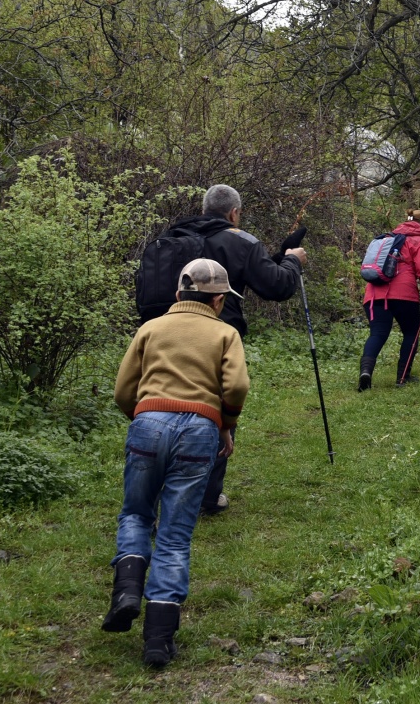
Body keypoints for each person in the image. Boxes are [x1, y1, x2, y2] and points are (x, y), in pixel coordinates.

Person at [103, 259, 248, 667]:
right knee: (175, 532)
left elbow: (122, 390)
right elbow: (236, 385)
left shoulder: (150, 329)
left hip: (148, 422)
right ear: (219, 300)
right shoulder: (225, 333)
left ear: (178, 294)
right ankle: (158, 640)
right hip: (200, 428)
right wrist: (226, 423)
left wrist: (145, 418)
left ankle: (127, 590)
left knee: (135, 512)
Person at [162, 185, 305, 516]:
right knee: (215, 408)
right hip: (215, 335)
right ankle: (206, 498)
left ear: (203, 209)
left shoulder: (174, 236)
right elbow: (277, 286)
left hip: (164, 331)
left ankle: (164, 484)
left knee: (168, 404)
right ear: (234, 213)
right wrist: (293, 262)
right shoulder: (240, 240)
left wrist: (278, 257)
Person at [359, 209, 420, 390]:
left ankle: (366, 372)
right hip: (404, 294)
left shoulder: (388, 238)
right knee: (411, 333)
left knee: (377, 334)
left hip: (374, 292)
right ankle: (402, 377)